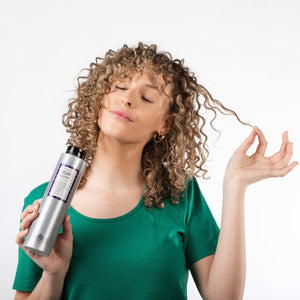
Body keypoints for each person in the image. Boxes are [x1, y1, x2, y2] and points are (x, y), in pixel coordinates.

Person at [13, 42, 298, 300]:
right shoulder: (44, 202)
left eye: (147, 98)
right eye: (120, 87)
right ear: (99, 99)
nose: (127, 99)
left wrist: (235, 185)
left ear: (165, 125)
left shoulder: (180, 195)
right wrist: (54, 274)